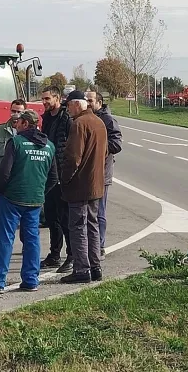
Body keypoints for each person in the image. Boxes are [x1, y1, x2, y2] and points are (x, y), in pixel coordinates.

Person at [0, 109, 58, 294]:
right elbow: (53, 177)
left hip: (12, 199)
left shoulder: (16, 142)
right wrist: (40, 192)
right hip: (35, 200)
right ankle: (31, 280)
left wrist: (2, 191)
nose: (16, 124)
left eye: (19, 121)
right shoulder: (49, 146)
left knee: (5, 239)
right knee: (32, 240)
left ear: (26, 124)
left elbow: (4, 173)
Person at [60, 91, 107, 284]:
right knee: (92, 225)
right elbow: (105, 153)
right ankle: (95, 267)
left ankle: (81, 269)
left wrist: (64, 179)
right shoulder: (98, 122)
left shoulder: (79, 124)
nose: (68, 109)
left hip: (80, 185)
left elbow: (73, 157)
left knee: (78, 227)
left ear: (76, 105)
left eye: (68, 105)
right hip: (96, 183)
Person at [0, 99, 27, 257]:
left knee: (24, 217)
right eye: (14, 111)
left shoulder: (28, 131)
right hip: (2, 182)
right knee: (1, 217)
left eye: (19, 111)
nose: (16, 115)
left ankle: (25, 246)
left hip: (22, 182)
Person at [39, 85, 73, 274]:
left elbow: (71, 147)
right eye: (43, 99)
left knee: (65, 217)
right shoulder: (46, 119)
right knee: (52, 217)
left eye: (47, 99)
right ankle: (54, 254)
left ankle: (72, 255)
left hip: (62, 175)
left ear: (57, 98)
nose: (44, 102)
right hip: (48, 174)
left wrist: (66, 173)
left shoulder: (67, 118)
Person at [86, 91, 122, 258]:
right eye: (86, 100)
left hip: (102, 172)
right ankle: (88, 245)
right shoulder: (85, 117)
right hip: (87, 172)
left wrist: (98, 146)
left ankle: (99, 246)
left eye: (90, 100)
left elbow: (116, 143)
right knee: (86, 212)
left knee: (99, 211)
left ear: (99, 102)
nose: (88, 103)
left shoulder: (107, 120)